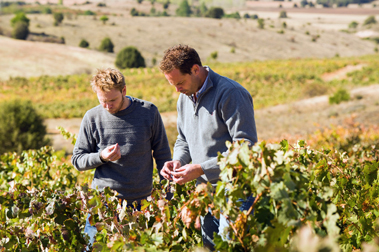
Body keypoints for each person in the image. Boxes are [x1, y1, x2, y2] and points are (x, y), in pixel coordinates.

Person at [159, 45, 258, 250]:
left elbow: (246, 147)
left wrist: (201, 168)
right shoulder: (184, 98)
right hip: (205, 193)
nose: (177, 89)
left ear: (196, 69)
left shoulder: (231, 94)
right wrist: (178, 160)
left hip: (235, 191)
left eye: (179, 83)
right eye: (172, 84)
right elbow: (184, 139)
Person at [71, 68, 171, 247]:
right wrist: (102, 156)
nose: (108, 106)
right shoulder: (92, 118)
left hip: (142, 205)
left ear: (124, 90)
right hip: (103, 207)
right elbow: (78, 160)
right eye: (103, 101)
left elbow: (163, 155)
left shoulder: (148, 112)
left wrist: (167, 195)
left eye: (112, 100)